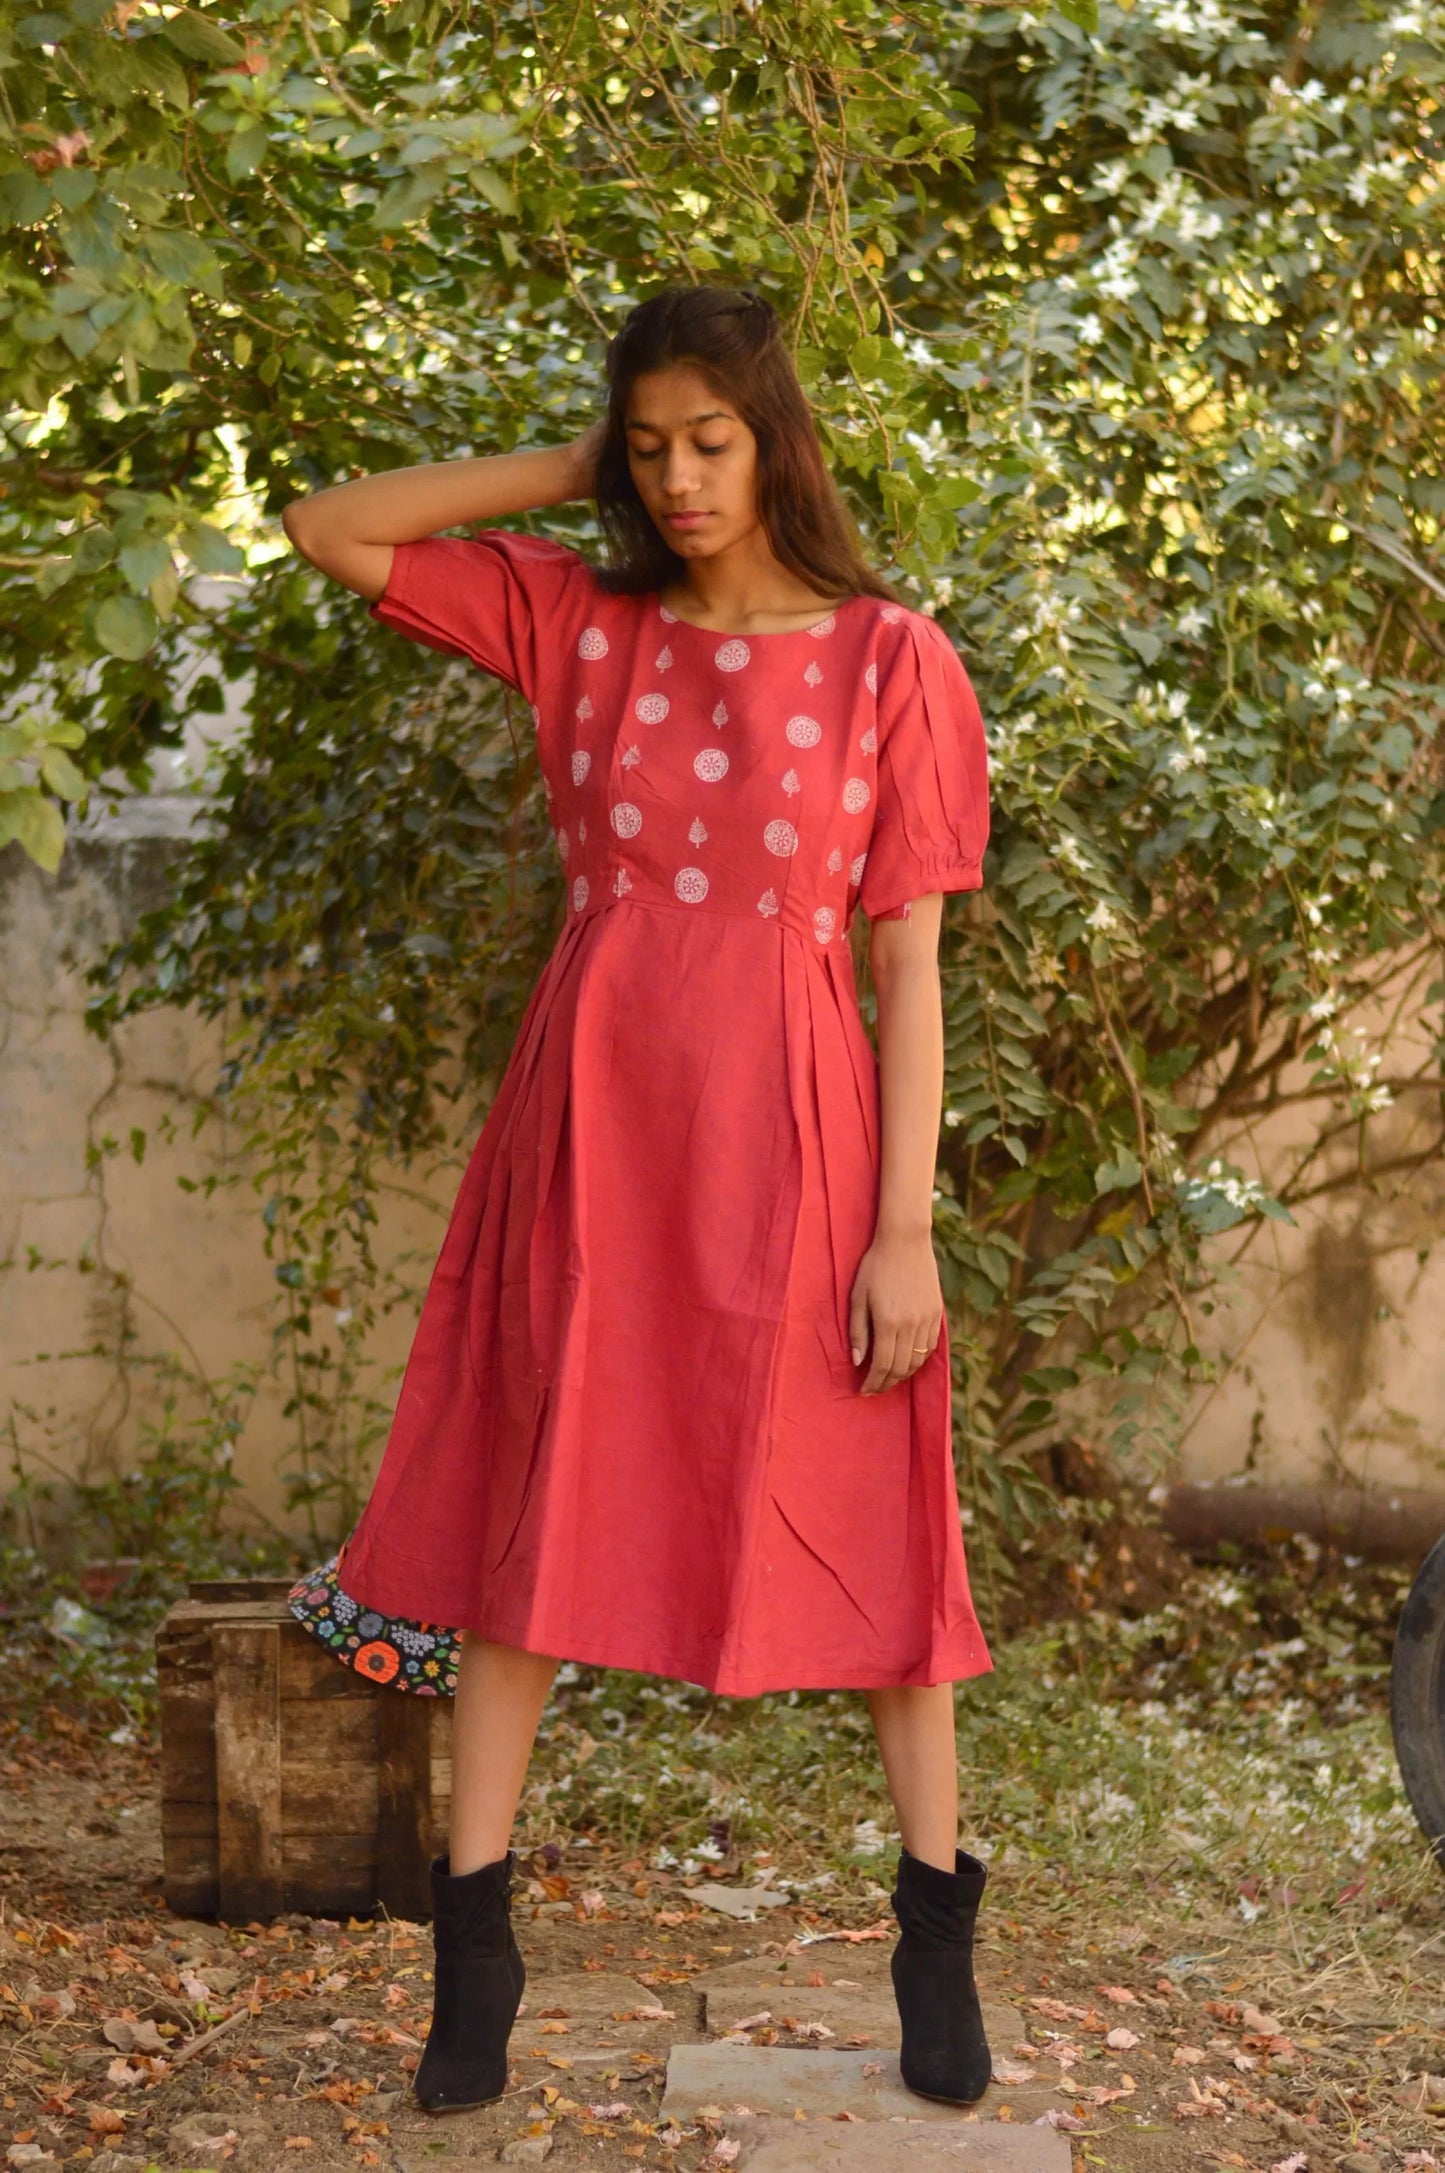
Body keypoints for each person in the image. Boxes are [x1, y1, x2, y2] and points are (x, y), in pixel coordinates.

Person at [281, 282, 996, 2117]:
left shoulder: (887, 657)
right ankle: (477, 1962)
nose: (679, 480)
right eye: (650, 445)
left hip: (805, 1146)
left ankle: (933, 1936)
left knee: (878, 1528)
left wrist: (900, 1226)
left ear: (776, 441)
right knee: (533, 1521)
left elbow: (905, 963)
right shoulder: (574, 622)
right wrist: (570, 461)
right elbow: (326, 524)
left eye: (710, 440)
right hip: (590, 1131)